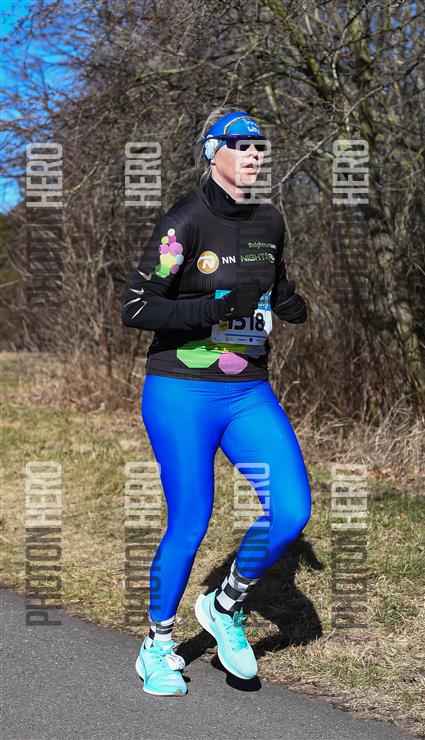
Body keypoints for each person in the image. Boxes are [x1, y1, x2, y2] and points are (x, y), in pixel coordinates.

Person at [122, 107, 311, 696]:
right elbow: (136, 307)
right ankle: (157, 645)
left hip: (247, 390)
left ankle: (224, 606)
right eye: (241, 144)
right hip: (181, 391)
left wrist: (287, 302)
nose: (254, 154)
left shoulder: (270, 220)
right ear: (213, 152)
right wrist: (213, 307)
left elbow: (274, 280)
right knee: (192, 519)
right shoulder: (186, 220)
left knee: (292, 510)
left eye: (260, 146)